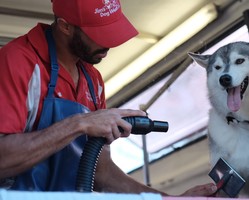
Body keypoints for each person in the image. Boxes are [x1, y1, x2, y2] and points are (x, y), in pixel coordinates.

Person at [0, 0, 217, 196]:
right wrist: (80, 123)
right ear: (65, 26)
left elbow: (101, 174)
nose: (109, 46)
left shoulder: (92, 79)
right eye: (99, 35)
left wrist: (171, 199)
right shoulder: (17, 61)